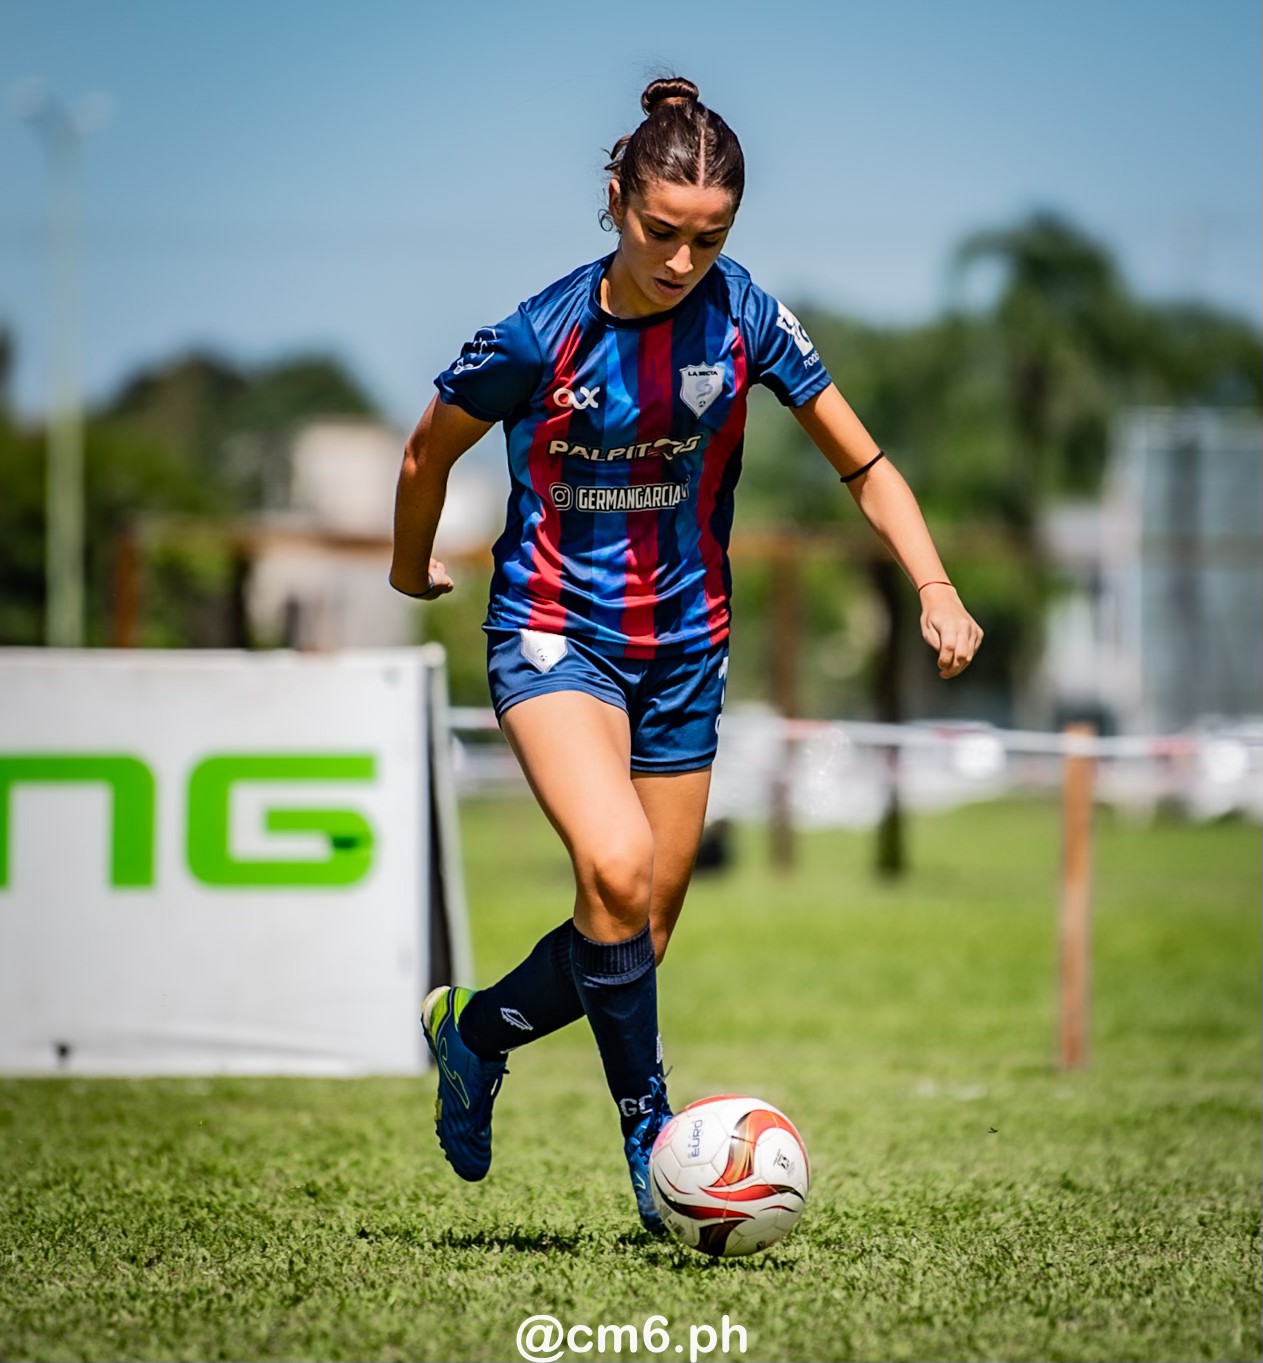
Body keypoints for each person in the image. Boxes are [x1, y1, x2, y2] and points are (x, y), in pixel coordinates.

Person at [390, 76, 983, 1236]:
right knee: (611, 869)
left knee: (641, 928)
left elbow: (864, 464)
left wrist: (936, 583)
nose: (681, 261)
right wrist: (413, 568)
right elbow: (426, 452)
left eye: (709, 238)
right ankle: (650, 1132)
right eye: (661, 232)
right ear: (614, 200)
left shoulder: (747, 315)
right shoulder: (538, 335)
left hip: (687, 651)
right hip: (555, 631)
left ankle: (473, 1034)